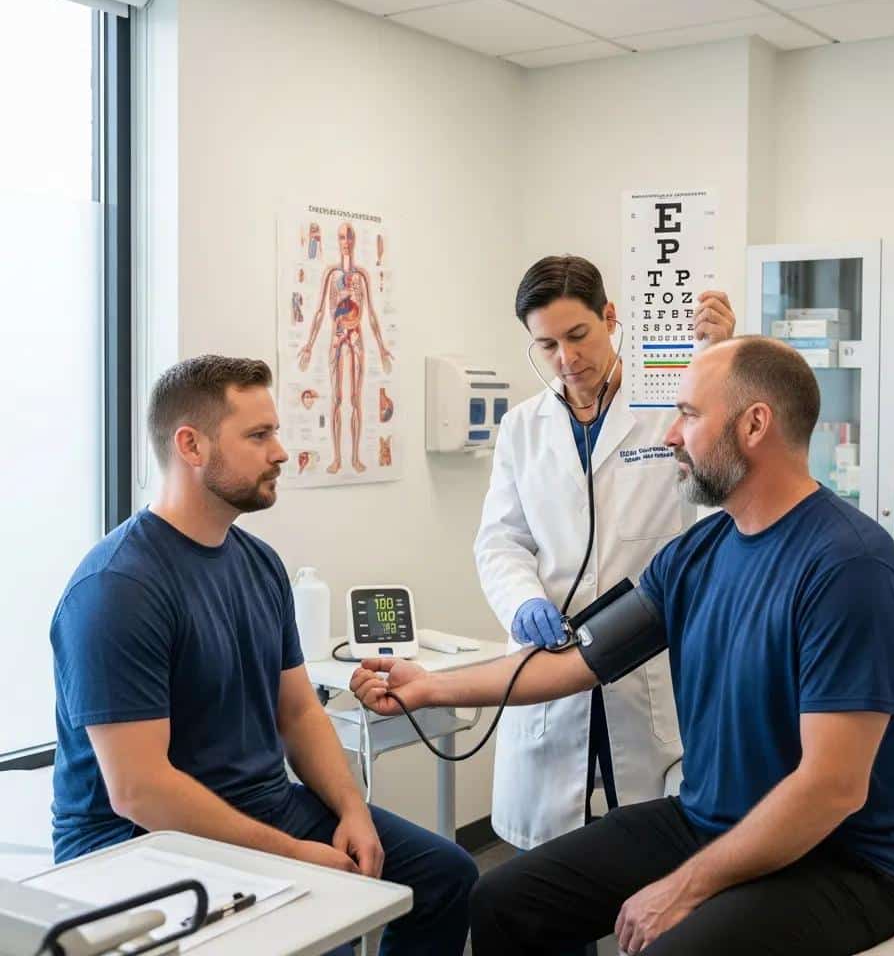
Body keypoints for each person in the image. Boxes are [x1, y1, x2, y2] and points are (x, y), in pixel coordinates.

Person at [354, 336, 894, 956]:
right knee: (504, 902)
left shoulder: (850, 568)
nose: (673, 437)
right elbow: (577, 662)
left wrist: (681, 887)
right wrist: (430, 685)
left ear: (754, 424)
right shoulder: (696, 556)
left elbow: (831, 788)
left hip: (843, 861)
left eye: (688, 415)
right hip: (710, 820)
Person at [50, 355, 476, 956]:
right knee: (326, 927)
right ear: (191, 446)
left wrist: (352, 809)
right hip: (138, 842)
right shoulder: (117, 591)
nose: (281, 452)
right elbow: (140, 791)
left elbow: (299, 712)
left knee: (446, 877)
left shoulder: (259, 564)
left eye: (275, 431)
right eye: (259, 435)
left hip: (260, 805)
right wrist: (298, 858)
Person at [474, 255, 734, 870]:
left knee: (650, 871)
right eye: (547, 344)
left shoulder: (672, 407)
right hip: (551, 666)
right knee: (547, 883)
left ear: (610, 318)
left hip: (646, 671)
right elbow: (500, 541)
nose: (566, 358)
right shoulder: (521, 429)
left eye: (578, 335)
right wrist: (523, 602)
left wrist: (721, 358)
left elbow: (723, 500)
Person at [298, 222, 393, 474]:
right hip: (337, 335)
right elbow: (319, 311)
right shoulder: (331, 274)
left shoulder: (362, 275)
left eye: (350, 236)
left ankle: (355, 457)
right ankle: (338, 458)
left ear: (355, 239)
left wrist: (382, 347)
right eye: (342, 236)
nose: (346, 241)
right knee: (337, 398)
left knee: (355, 399)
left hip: (356, 334)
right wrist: (308, 344)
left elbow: (371, 312)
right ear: (337, 240)